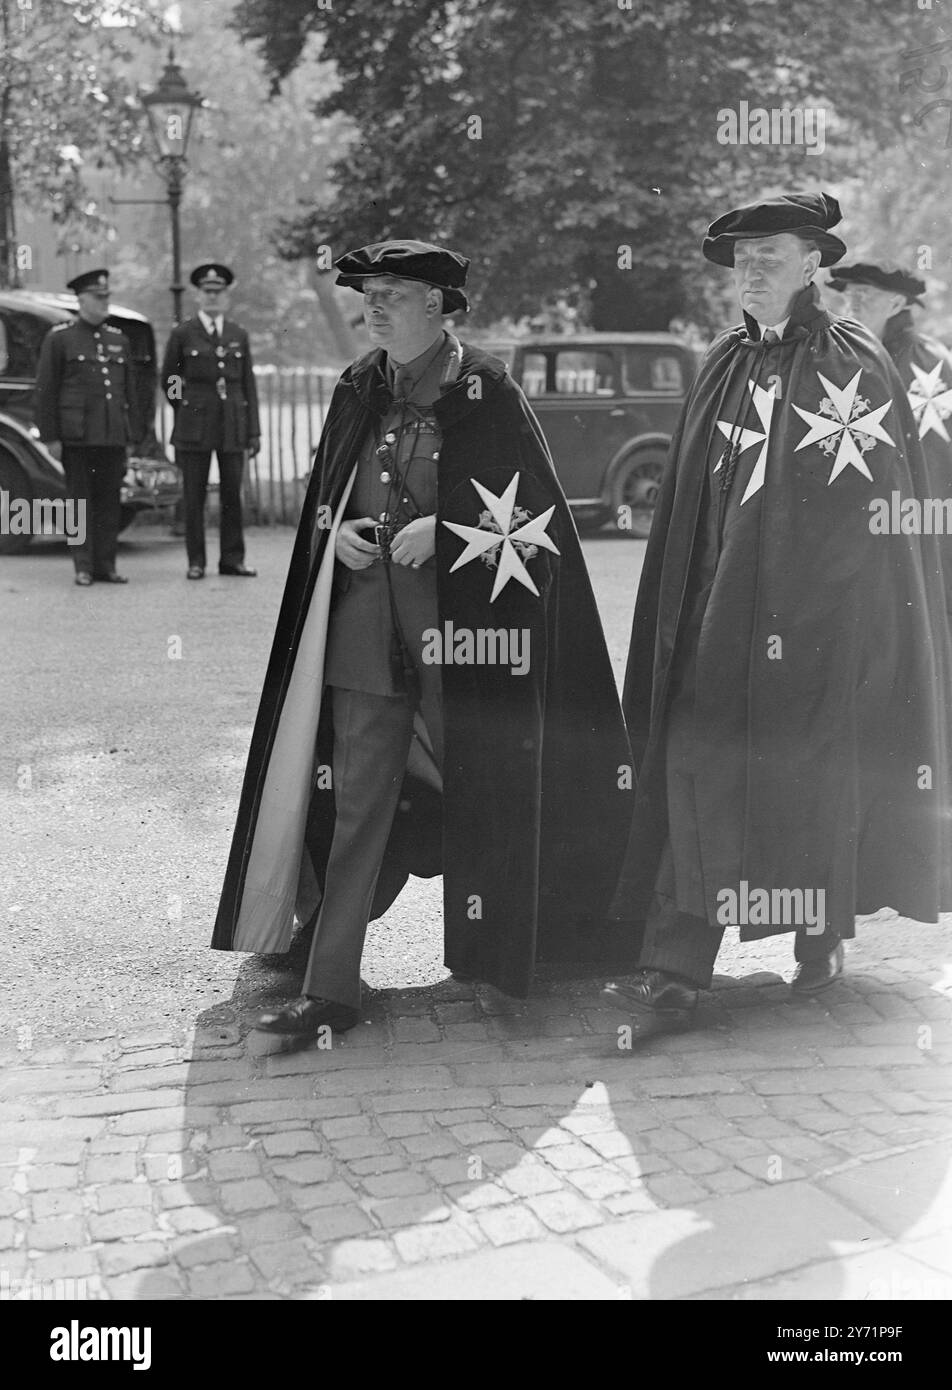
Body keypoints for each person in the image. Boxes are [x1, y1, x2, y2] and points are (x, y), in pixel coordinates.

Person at [211, 238, 634, 1037]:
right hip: (366, 639)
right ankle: (333, 987)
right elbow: (322, 503)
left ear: (437, 307)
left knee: (491, 793)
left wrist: (447, 529)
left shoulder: (488, 391)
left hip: (467, 644)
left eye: (393, 293)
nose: (373, 307)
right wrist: (336, 534)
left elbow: (535, 521)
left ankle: (504, 964)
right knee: (354, 806)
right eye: (368, 293)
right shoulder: (355, 388)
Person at [604, 192, 951, 1042]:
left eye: (771, 255)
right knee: (696, 764)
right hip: (708, 618)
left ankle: (818, 933)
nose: (751, 271)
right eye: (741, 258)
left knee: (807, 784)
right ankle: (675, 970)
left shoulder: (852, 363)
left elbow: (869, 521)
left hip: (813, 632)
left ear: (813, 266)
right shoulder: (722, 360)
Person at [34, 269, 139, 586]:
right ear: (81, 300)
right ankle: (82, 565)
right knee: (79, 501)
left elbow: (129, 393)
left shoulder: (119, 340)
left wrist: (131, 435)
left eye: (106, 297)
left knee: (109, 500)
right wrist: (51, 435)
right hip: (76, 436)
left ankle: (105, 565)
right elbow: (46, 390)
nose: (103, 302)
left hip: (111, 435)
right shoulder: (60, 339)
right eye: (97, 297)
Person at [160, 263, 260, 579]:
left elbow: (247, 385)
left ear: (226, 297)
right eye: (207, 292)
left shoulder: (237, 334)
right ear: (199, 296)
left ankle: (232, 559)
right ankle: (196, 561)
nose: (213, 297)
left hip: (232, 423)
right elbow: (170, 379)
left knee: (232, 493)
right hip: (195, 423)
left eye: (218, 292)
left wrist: (253, 431)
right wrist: (186, 406)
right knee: (194, 494)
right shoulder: (183, 333)